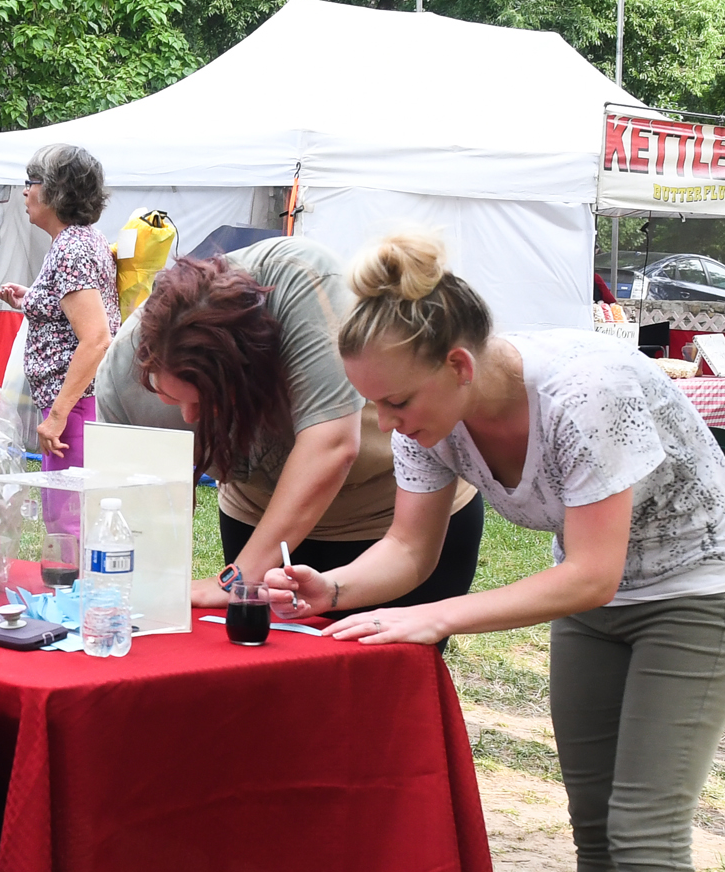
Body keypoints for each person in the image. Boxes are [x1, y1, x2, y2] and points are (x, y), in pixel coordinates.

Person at [267, 233, 725, 872]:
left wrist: (439, 616)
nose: (385, 426)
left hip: (696, 591)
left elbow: (590, 573)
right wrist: (331, 589)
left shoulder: (584, 395)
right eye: (374, 404)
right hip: (592, 606)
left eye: (395, 402)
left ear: (459, 366)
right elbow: (409, 549)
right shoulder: (429, 418)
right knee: (593, 828)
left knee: (643, 834)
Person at [95, 239, 484, 608]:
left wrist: (234, 581)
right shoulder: (119, 380)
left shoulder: (301, 278)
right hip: (259, 525)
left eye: (211, 401)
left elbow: (330, 447)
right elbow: (135, 523)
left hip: (385, 525)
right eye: (171, 397)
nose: (190, 418)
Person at [0, 143, 120, 481]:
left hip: (75, 408)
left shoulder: (71, 249)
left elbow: (96, 338)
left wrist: (58, 416)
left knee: (68, 521)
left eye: (31, 181)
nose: (24, 192)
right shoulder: (84, 239)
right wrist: (32, 299)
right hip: (79, 403)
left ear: (54, 191)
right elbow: (73, 311)